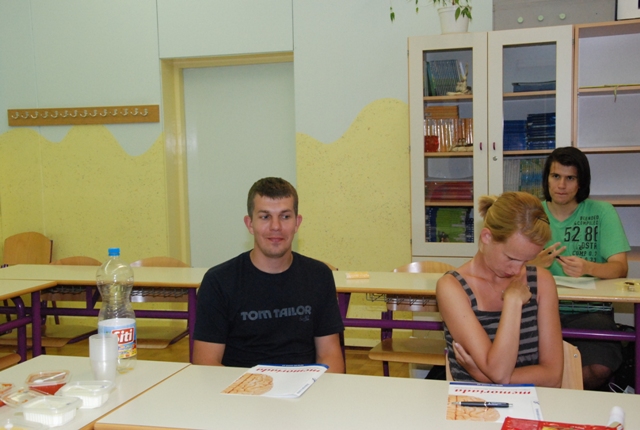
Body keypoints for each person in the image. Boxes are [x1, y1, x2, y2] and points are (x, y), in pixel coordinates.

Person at [192, 177, 345, 373]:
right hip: (240, 387)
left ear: (297, 223)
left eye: (285, 216)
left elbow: (329, 354)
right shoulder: (218, 281)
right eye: (265, 217)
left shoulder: (319, 276)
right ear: (250, 224)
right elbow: (206, 363)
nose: (275, 226)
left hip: (305, 387)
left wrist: (321, 389)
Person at [436, 192, 563, 387]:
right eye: (511, 258)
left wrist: (483, 376)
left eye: (526, 260)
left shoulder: (542, 282)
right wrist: (513, 302)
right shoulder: (452, 287)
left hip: (533, 400)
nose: (517, 270)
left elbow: (553, 377)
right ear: (487, 237)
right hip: (474, 401)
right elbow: (499, 371)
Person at [530, 147, 630, 390]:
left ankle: (554, 389)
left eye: (570, 178)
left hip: (590, 311)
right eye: (556, 176)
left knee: (600, 368)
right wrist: (533, 266)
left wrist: (589, 267)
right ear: (547, 179)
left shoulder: (602, 212)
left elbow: (620, 268)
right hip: (537, 311)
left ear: (581, 182)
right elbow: (504, 267)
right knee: (519, 361)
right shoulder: (531, 214)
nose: (561, 185)